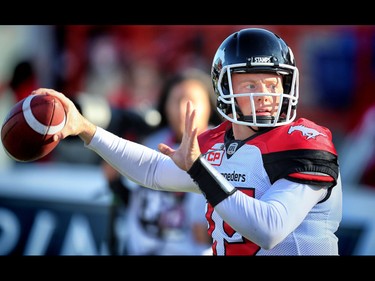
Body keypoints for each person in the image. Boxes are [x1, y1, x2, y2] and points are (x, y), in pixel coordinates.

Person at [31, 27, 342, 255]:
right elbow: (152, 170)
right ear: (224, 88)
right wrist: (86, 129)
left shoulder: (306, 141)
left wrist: (198, 170)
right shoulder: (218, 143)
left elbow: (270, 229)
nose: (266, 94)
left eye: (273, 84)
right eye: (250, 83)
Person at [122, 68, 218, 255]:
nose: (183, 110)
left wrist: (216, 231)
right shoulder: (152, 144)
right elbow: (136, 203)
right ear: (164, 106)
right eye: (176, 101)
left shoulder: (224, 148)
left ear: (210, 106)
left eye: (192, 101)